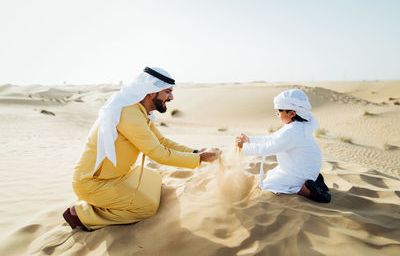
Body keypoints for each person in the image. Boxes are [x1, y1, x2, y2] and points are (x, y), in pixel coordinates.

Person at [63, 67, 219, 231]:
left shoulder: (139, 111)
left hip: (119, 175)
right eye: (167, 92)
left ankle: (101, 204)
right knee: (147, 207)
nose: (171, 97)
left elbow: (162, 142)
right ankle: (81, 214)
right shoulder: (129, 114)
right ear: (151, 92)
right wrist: (200, 159)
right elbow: (159, 154)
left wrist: (195, 152)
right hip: (93, 182)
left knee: (154, 178)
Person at [235, 89, 330, 203]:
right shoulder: (298, 125)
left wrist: (244, 147)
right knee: (272, 175)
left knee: (268, 185)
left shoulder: (293, 132)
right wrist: (250, 140)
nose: (277, 114)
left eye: (280, 110)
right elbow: (272, 138)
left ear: (292, 113)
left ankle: (308, 190)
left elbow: (269, 148)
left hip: (301, 172)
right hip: (305, 168)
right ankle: (313, 180)